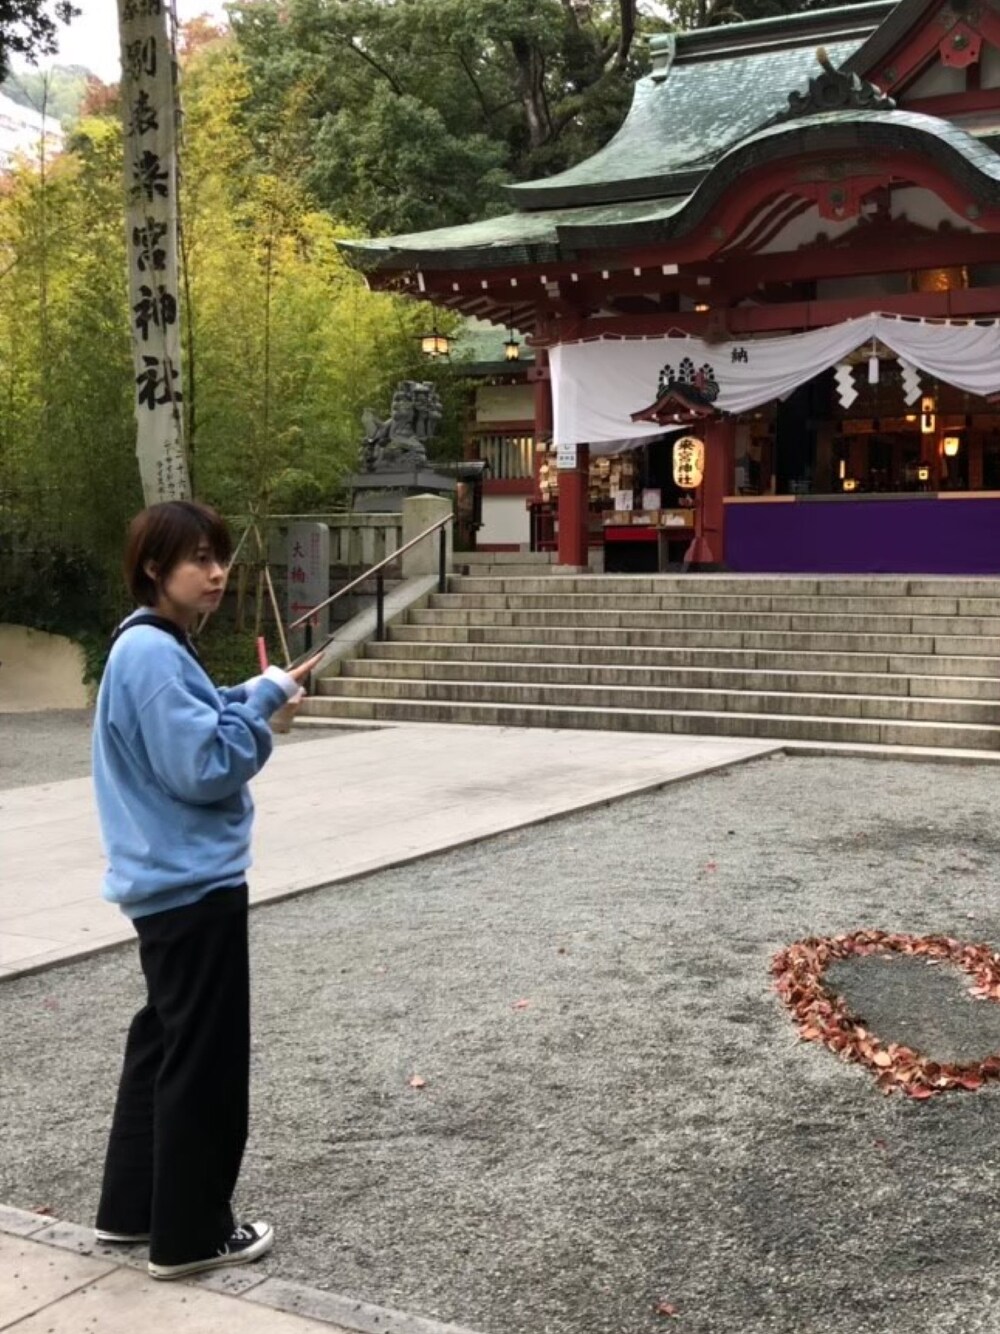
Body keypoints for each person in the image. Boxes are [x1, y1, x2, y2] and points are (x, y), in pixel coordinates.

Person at [90, 499, 321, 1280]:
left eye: (220, 557)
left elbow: (194, 720)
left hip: (166, 883)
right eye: (198, 559)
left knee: (164, 1042)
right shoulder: (154, 653)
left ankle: (133, 1210)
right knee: (204, 1062)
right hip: (191, 884)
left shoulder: (146, 644)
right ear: (155, 567)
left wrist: (253, 693)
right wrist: (261, 711)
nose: (216, 573)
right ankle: (191, 1235)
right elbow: (203, 767)